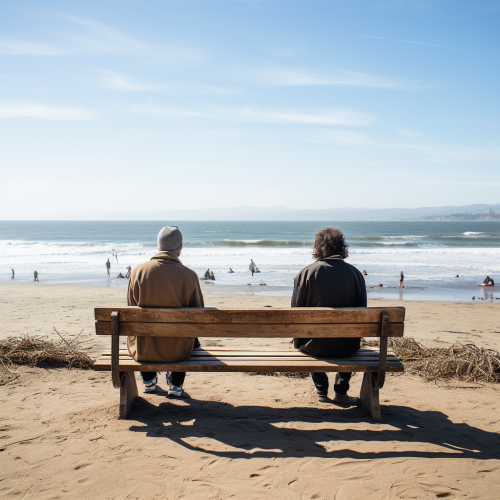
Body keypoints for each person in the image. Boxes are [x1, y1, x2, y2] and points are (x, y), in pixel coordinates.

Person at [292, 227, 366, 404]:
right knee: (349, 335)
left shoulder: (305, 274)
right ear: (342, 247)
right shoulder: (356, 274)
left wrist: (297, 342)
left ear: (318, 247)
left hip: (313, 346)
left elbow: (295, 315)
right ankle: (341, 391)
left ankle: (321, 389)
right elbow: (362, 316)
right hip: (347, 347)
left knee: (309, 337)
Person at [127, 226, 204, 396]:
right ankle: (176, 384)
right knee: (188, 330)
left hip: (144, 350)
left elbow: (131, 310)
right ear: (180, 248)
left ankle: (148, 380)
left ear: (158, 246)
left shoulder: (137, 272)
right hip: (178, 352)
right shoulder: (189, 275)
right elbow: (199, 316)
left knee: (138, 329)